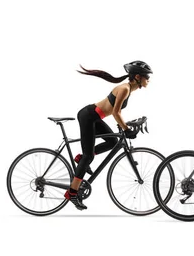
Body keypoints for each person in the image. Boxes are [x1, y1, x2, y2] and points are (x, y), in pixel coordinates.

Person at [64, 61, 153, 210]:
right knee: (89, 157)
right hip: (88, 117)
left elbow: (115, 112)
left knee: (112, 142)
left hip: (95, 117)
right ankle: (72, 193)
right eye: (146, 77)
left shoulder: (128, 89)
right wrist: (126, 129)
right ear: (137, 77)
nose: (148, 80)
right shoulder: (124, 89)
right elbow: (116, 112)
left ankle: (81, 159)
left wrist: (127, 125)